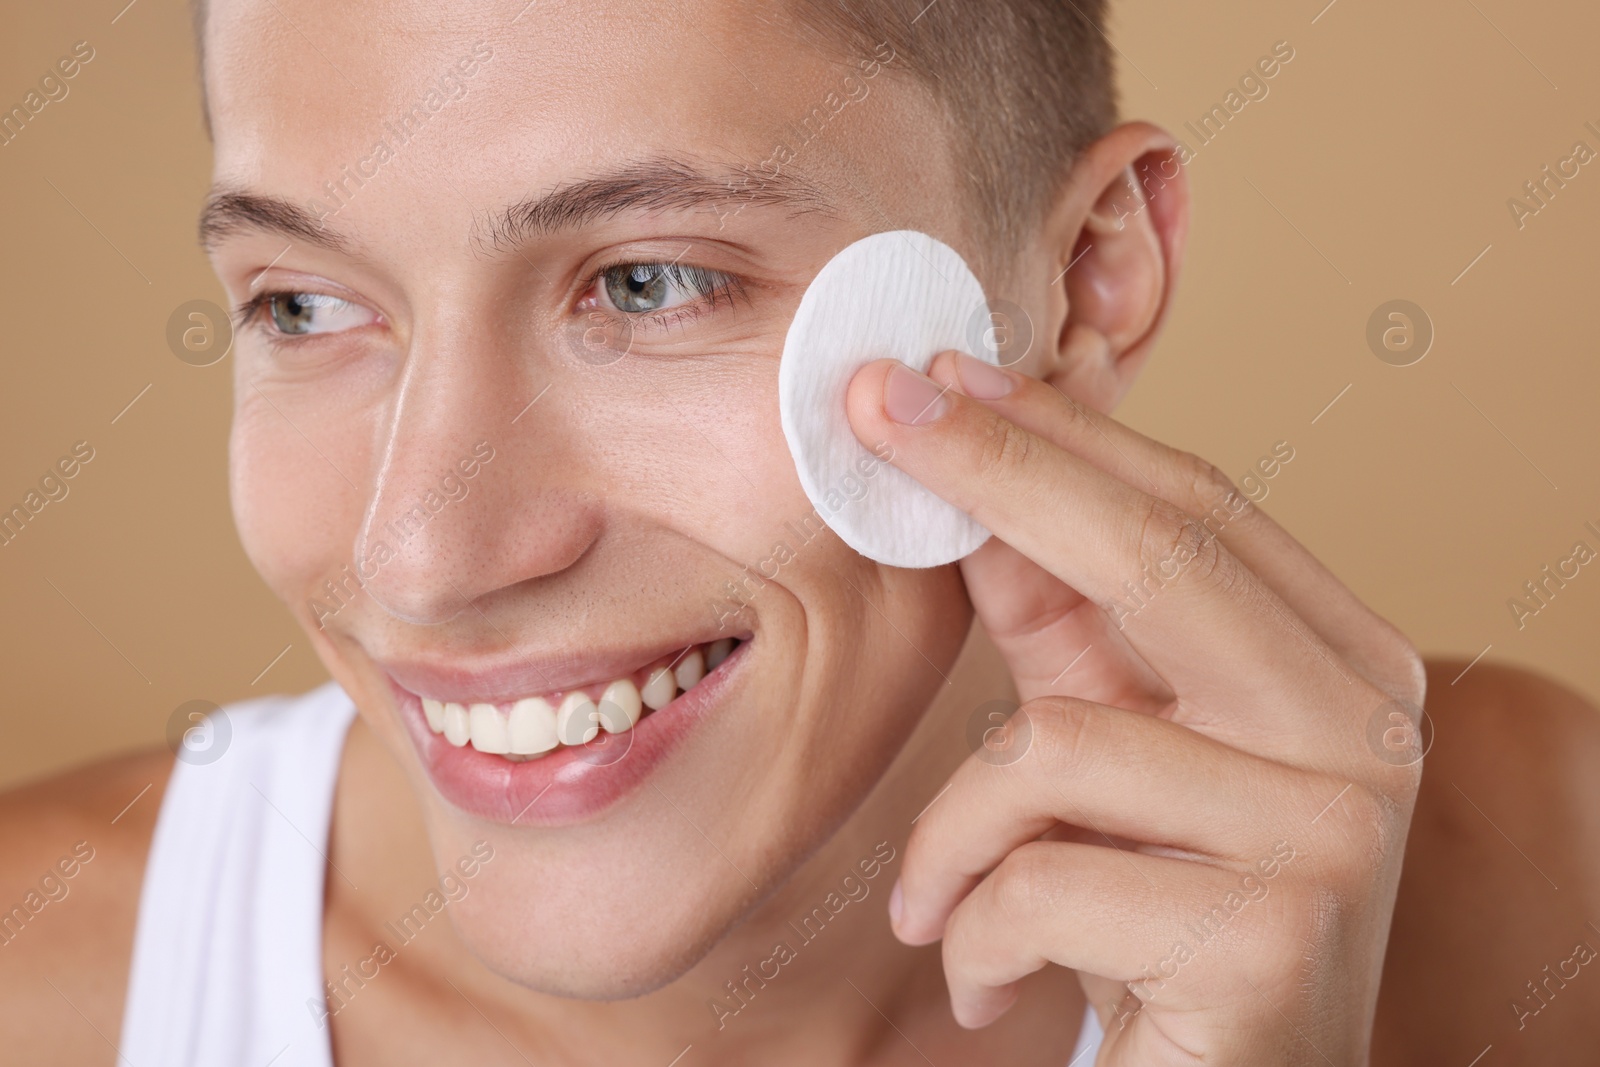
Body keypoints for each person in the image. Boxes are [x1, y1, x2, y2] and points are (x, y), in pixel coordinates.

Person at [3, 0, 1599, 1062]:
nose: (422, 552)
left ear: (1085, 275)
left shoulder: (1529, 874)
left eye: (648, 282)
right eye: (303, 304)